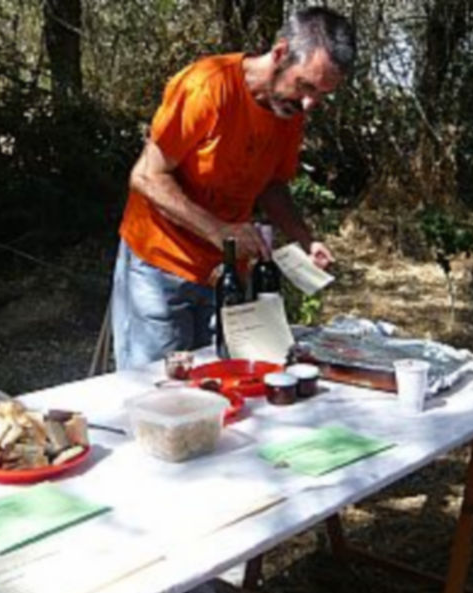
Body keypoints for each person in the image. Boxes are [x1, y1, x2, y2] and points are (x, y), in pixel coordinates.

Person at [111, 7, 355, 370]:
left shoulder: (288, 113)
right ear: (279, 53)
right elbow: (146, 176)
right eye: (305, 85)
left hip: (223, 275)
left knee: (219, 382)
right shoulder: (206, 86)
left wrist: (305, 239)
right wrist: (220, 232)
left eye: (321, 95)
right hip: (159, 266)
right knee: (159, 392)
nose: (309, 104)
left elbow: (273, 184)